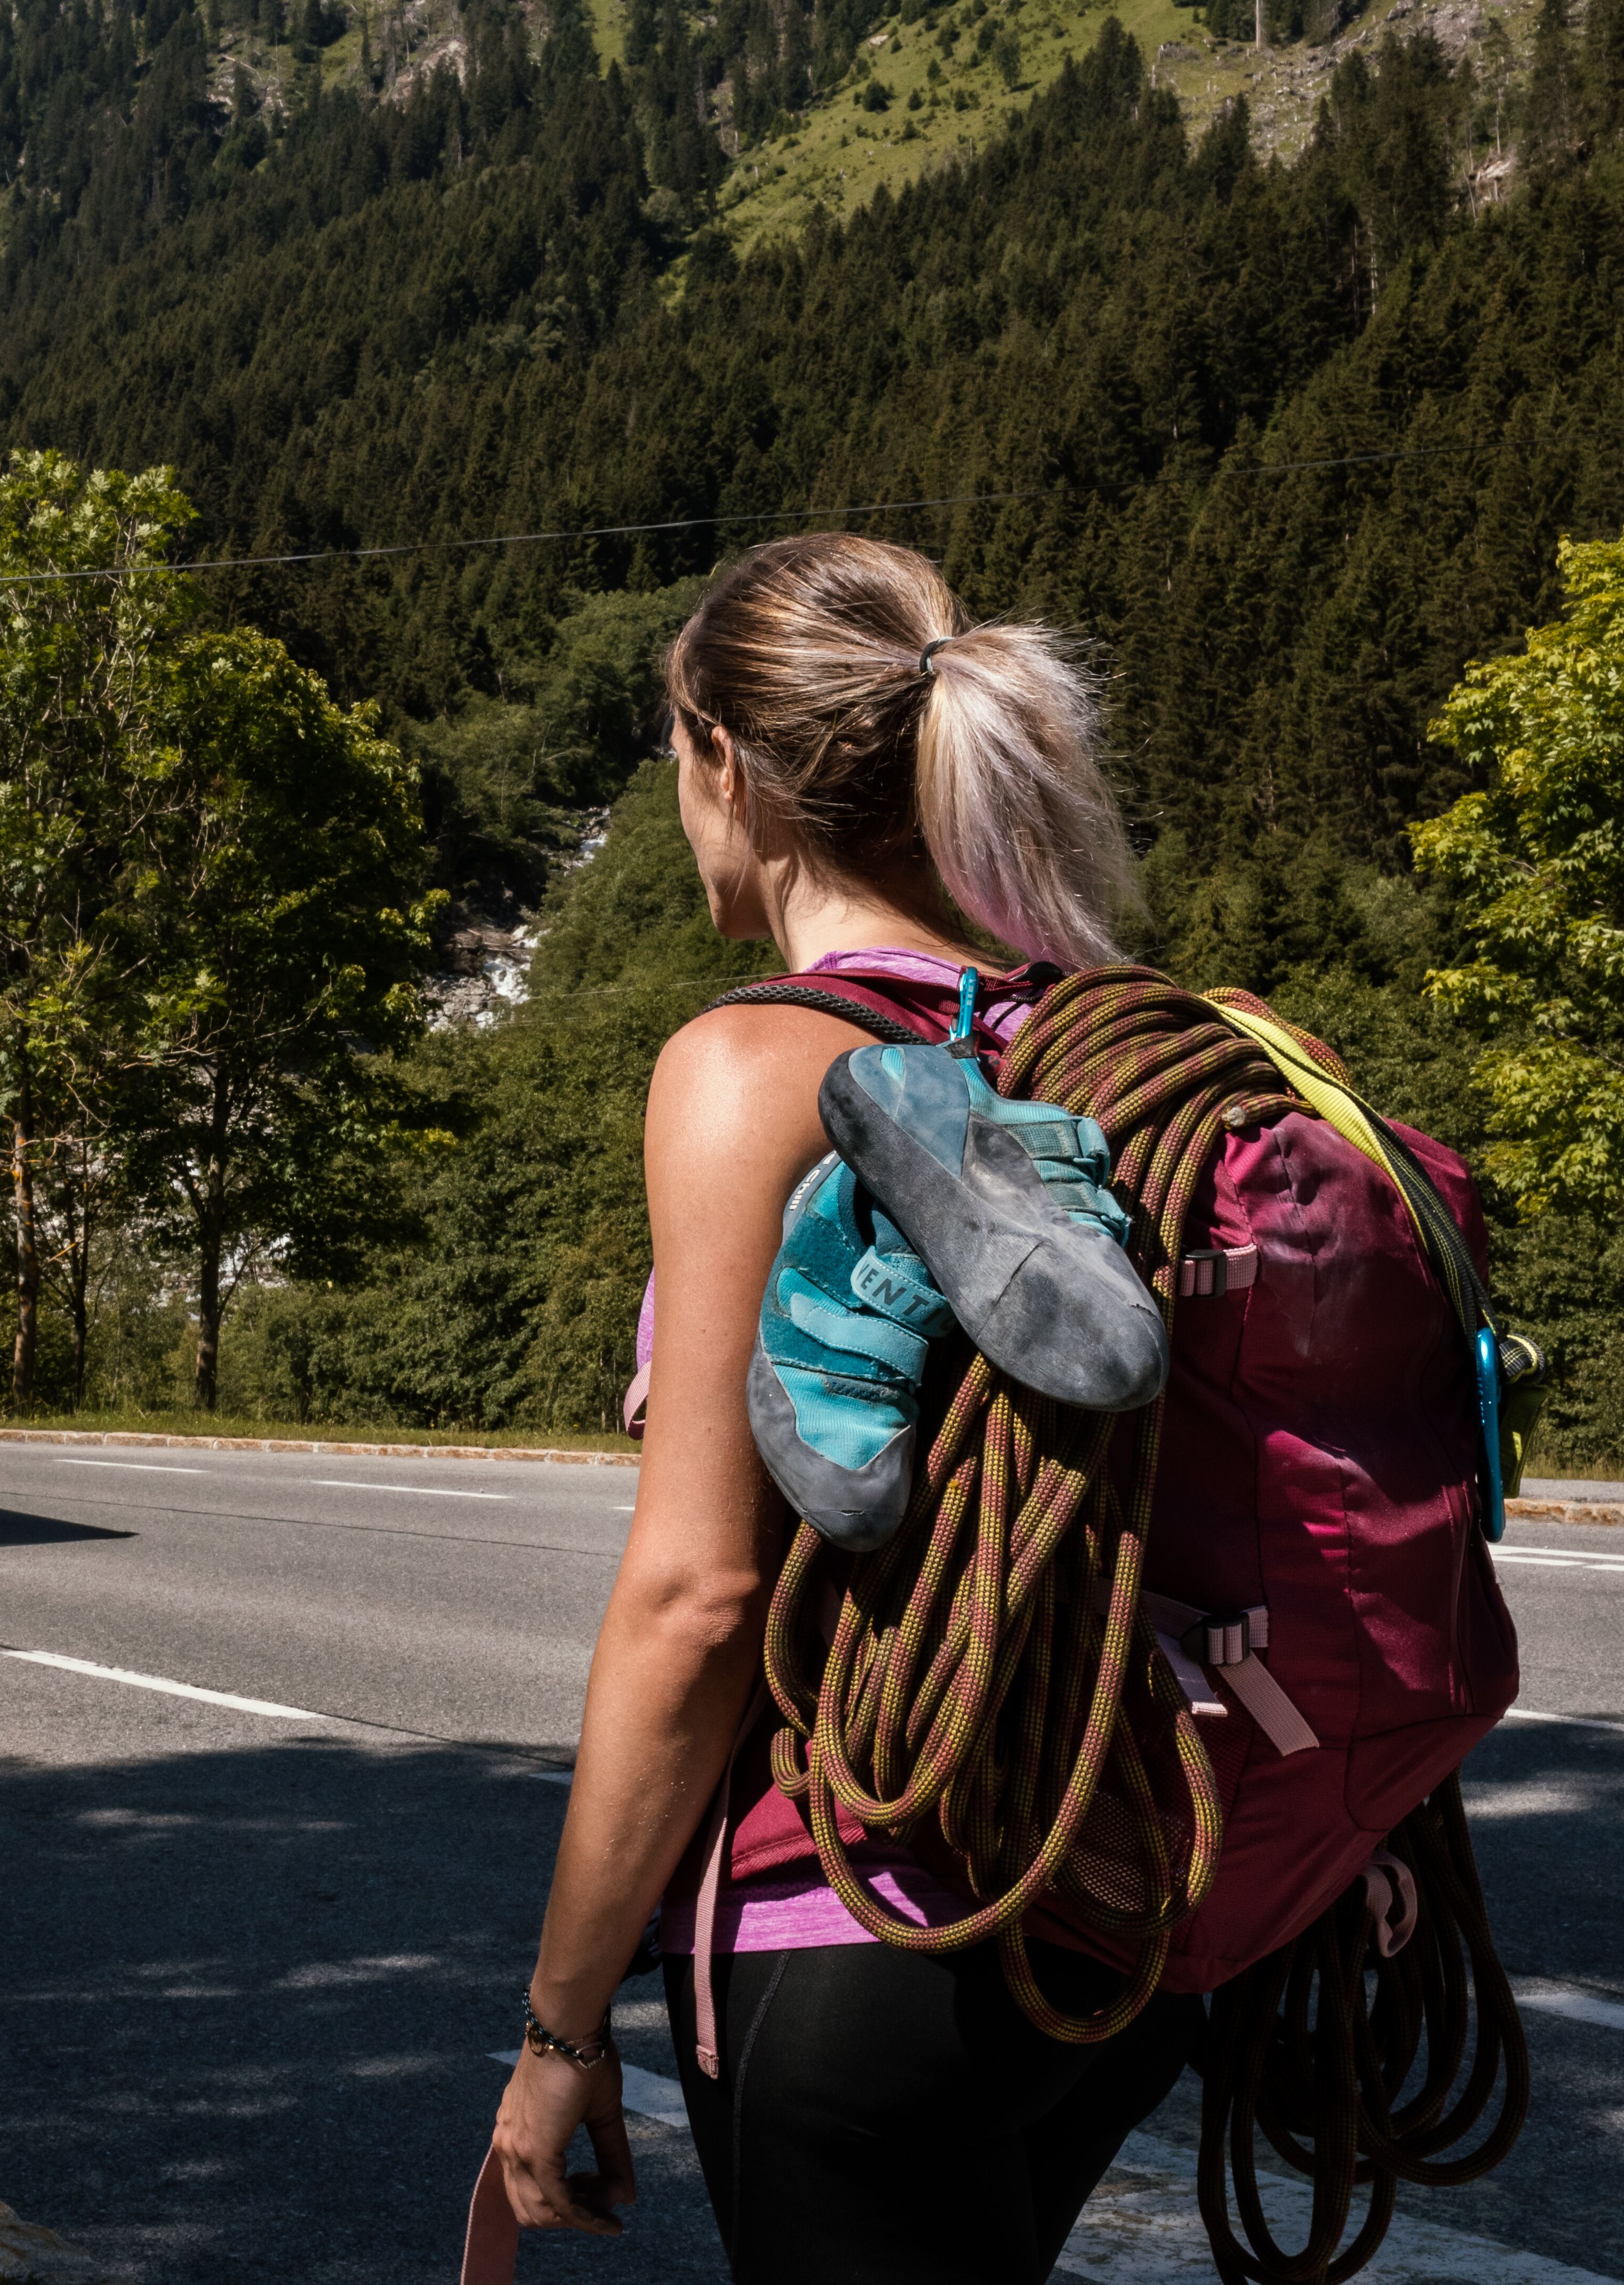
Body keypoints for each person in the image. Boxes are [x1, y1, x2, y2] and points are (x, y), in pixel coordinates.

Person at [484, 534, 1198, 2283]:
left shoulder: (749, 1069)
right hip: (1116, 1918)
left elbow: (700, 1594)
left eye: (673, 753)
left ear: (725, 761)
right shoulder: (1099, 1042)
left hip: (863, 1912)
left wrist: (561, 2027)